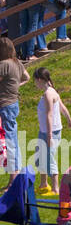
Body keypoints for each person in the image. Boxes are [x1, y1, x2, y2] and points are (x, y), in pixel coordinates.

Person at [33, 67, 71, 197]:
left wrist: (49, 135)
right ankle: (43, 184)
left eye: (35, 81)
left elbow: (49, 115)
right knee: (40, 158)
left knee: (49, 158)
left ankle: (56, 189)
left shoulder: (48, 94)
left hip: (51, 132)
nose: (35, 84)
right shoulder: (51, 91)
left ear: (39, 80)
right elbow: (63, 108)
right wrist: (69, 120)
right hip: (44, 131)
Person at [0, 38, 30, 180]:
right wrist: (15, 86)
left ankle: (14, 177)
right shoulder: (16, 62)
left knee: (9, 140)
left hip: (4, 105)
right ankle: (15, 176)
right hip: (13, 103)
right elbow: (27, 77)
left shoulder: (3, 65)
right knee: (13, 139)